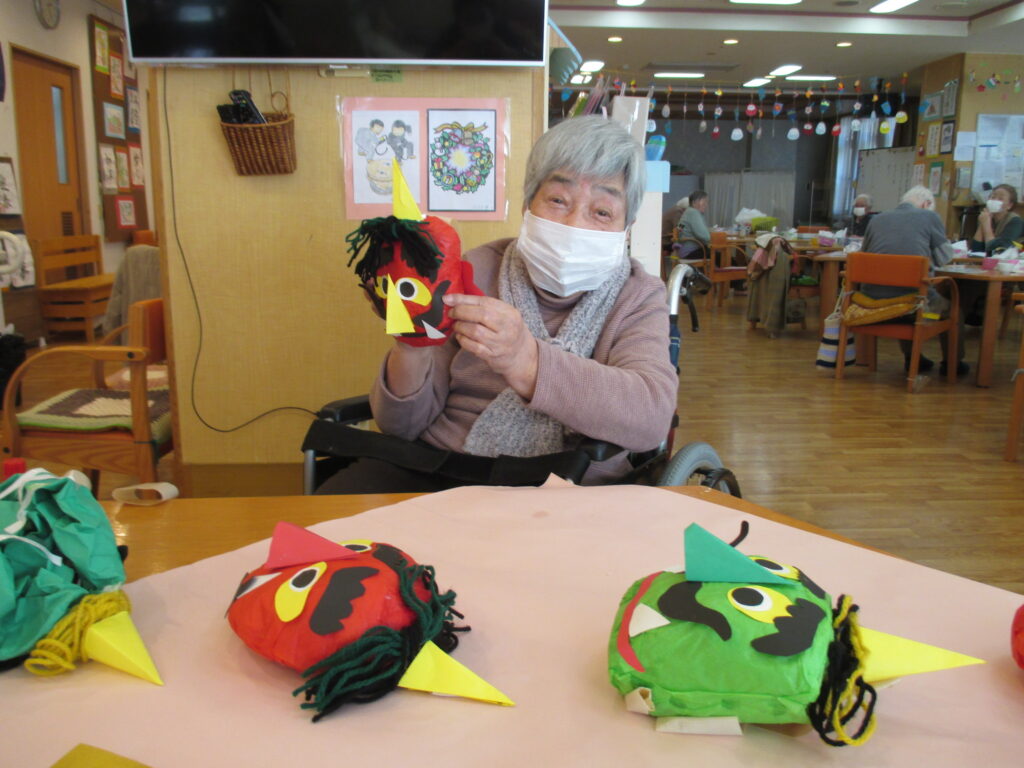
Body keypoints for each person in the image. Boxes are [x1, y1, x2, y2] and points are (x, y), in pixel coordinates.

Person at [319, 116, 678, 493]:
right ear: (527, 205)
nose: (575, 224)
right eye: (558, 200)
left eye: (602, 212)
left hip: (568, 487)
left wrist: (526, 360)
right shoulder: (473, 268)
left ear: (626, 228)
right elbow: (399, 426)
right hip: (440, 469)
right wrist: (412, 340)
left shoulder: (639, 296)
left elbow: (651, 417)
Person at [860, 185, 966, 376]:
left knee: (905, 290)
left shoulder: (877, 219)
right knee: (951, 309)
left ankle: (912, 358)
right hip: (913, 305)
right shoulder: (929, 217)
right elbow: (944, 258)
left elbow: (864, 256)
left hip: (871, 300)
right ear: (926, 204)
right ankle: (953, 364)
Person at [970, 184, 1022, 255]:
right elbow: (976, 251)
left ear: (1009, 205)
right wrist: (982, 223)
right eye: (992, 197)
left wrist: (986, 225)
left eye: (1000, 199)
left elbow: (997, 252)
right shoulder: (986, 217)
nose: (994, 200)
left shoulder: (1016, 222)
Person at [676, 190, 710, 258]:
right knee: (722, 256)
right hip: (690, 251)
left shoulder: (688, 212)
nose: (706, 205)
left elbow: (679, 228)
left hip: (684, 250)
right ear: (694, 202)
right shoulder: (693, 213)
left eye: (707, 202)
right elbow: (704, 236)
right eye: (704, 202)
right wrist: (714, 239)